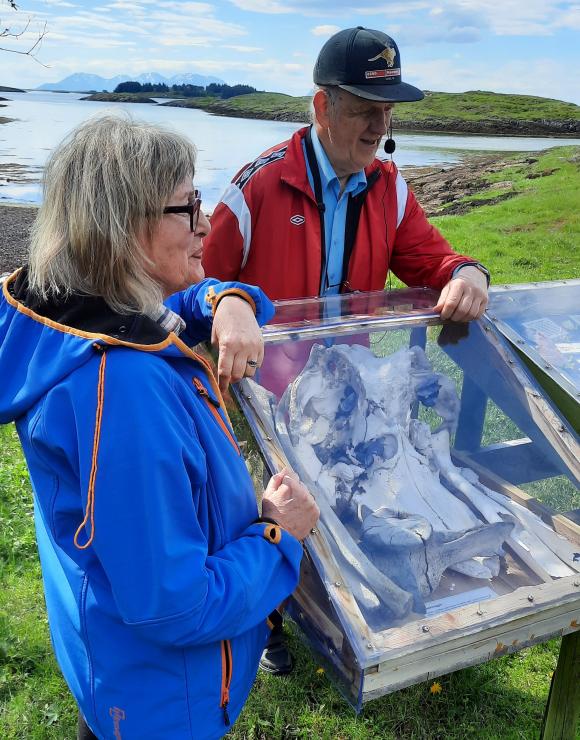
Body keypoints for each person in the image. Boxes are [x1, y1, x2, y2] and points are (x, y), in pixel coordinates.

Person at [0, 114, 319, 740]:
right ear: (121, 228)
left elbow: (172, 306)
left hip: (117, 671)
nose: (206, 224)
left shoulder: (72, 317)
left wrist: (226, 300)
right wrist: (277, 538)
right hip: (165, 706)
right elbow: (175, 604)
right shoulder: (125, 394)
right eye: (187, 207)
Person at [202, 26, 490, 674]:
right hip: (262, 398)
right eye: (364, 107)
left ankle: (344, 607)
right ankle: (268, 622)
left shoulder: (390, 188)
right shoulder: (255, 188)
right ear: (323, 106)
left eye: (386, 109)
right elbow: (196, 281)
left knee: (350, 494)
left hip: (346, 393)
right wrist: (227, 299)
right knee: (261, 505)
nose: (378, 125)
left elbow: (433, 258)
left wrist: (468, 273)